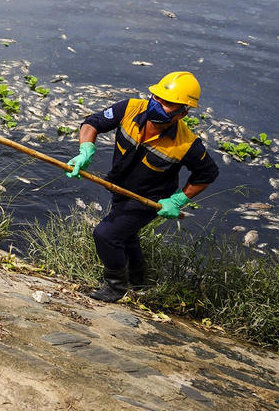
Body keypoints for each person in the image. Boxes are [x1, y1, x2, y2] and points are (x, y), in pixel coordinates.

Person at [66, 71, 219, 303]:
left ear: (182, 113)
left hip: (148, 200)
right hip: (118, 187)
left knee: (105, 235)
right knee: (126, 236)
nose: (158, 104)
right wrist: (85, 150)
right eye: (157, 97)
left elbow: (208, 173)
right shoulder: (129, 108)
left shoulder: (186, 144)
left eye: (168, 103)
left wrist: (178, 199)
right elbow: (92, 123)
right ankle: (138, 280)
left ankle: (116, 287)